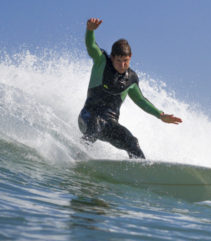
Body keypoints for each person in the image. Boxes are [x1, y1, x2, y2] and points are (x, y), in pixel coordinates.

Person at [78, 18, 182, 159]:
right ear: (112, 57)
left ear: (130, 57)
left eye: (125, 61)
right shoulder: (101, 62)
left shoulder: (131, 79)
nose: (122, 65)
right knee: (95, 126)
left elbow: (141, 101)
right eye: (119, 61)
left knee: (132, 142)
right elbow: (91, 46)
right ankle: (78, 157)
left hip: (110, 124)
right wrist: (90, 31)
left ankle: (140, 170)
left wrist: (160, 115)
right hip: (88, 117)